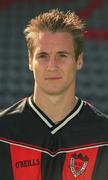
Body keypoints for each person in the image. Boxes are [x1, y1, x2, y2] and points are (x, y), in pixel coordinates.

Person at [0, 9, 108, 180]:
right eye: (42, 56)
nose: (52, 66)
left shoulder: (104, 135)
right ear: (30, 61)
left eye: (62, 55)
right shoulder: (3, 132)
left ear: (79, 60)